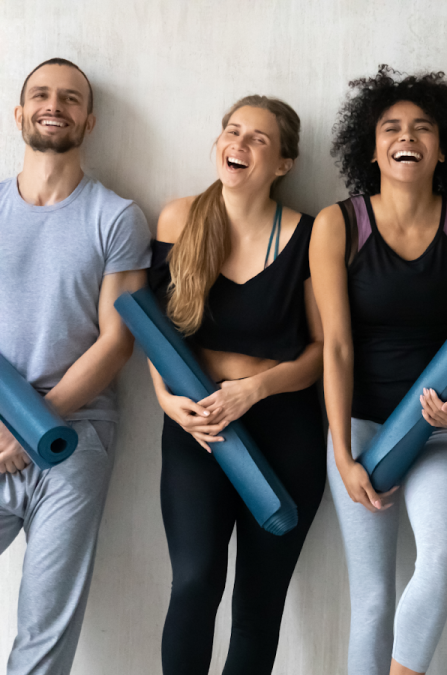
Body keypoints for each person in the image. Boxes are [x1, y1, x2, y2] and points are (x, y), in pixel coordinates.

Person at [311, 67, 447, 675]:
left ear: (443, 148)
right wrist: (342, 453)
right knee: (371, 597)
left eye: (422, 127)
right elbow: (335, 347)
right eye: (391, 127)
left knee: (438, 563)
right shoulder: (337, 223)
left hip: (441, 429)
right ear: (372, 147)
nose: (406, 136)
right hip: (361, 429)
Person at [147, 95, 324, 675]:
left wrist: (257, 389)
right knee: (195, 583)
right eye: (232, 131)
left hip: (286, 430)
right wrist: (166, 400)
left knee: (258, 605)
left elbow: (321, 352)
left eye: (259, 139)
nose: (239, 144)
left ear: (283, 163)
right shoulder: (178, 220)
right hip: (199, 428)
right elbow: (154, 329)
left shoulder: (310, 233)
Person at [0, 58, 150, 674]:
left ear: (88, 121)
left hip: (73, 437)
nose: (52, 104)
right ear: (19, 113)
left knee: (46, 630)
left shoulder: (116, 217)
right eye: (40, 94)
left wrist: (29, 428)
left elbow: (117, 342)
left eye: (69, 98)